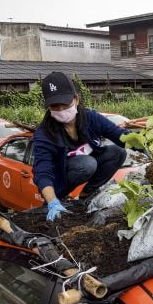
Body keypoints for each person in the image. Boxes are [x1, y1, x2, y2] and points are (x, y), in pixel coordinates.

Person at [32, 71, 129, 221]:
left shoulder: (91, 119)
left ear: (76, 99)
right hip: (61, 182)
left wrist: (146, 141)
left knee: (117, 152)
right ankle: (60, 200)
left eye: (65, 105)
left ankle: (87, 193)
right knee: (87, 163)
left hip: (87, 168)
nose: (61, 111)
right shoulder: (45, 133)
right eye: (55, 107)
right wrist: (52, 201)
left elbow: (119, 135)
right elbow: (42, 170)